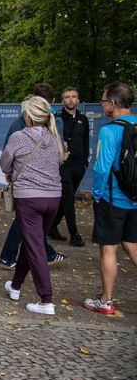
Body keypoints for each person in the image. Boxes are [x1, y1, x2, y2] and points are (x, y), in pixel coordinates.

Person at [0, 96, 63, 315]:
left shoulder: (18, 137)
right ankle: (16, 286)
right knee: (32, 242)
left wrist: (13, 171)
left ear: (28, 115)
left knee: (35, 247)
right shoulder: (54, 137)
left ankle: (46, 300)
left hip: (28, 198)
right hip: (54, 198)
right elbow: (59, 161)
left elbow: (5, 163)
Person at [84, 82, 137, 315]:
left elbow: (101, 168)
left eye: (104, 101)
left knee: (108, 249)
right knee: (133, 245)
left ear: (113, 103)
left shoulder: (109, 130)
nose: (102, 105)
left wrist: (97, 196)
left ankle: (106, 301)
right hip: (135, 198)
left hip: (112, 199)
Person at [50, 87, 89, 246]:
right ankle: (74, 234)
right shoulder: (56, 118)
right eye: (67, 97)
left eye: (74, 96)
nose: (71, 99)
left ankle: (51, 227)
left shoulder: (83, 118)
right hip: (63, 164)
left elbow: (85, 142)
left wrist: (85, 162)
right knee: (68, 198)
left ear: (78, 100)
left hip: (79, 165)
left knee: (65, 199)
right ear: (62, 100)